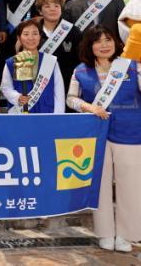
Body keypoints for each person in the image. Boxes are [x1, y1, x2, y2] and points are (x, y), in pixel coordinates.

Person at [66, 25, 141, 252]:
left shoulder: (132, 66)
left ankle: (127, 235)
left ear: (116, 42)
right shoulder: (81, 71)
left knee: (132, 186)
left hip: (131, 133)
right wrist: (89, 107)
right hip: (96, 134)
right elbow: (71, 99)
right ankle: (105, 233)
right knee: (100, 185)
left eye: (108, 39)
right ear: (90, 46)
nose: (104, 45)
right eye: (97, 41)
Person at [0, 19, 65, 113]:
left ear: (40, 36)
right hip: (21, 112)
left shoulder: (50, 61)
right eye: (26, 34)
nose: (31, 38)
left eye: (35, 33)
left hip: (47, 112)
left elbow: (59, 92)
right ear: (19, 37)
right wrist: (17, 97)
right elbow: (6, 87)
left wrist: (58, 115)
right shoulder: (11, 63)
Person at [34, 0, 81, 87]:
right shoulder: (33, 31)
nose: (52, 9)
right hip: (37, 84)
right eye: (47, 6)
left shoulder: (72, 31)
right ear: (40, 11)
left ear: (61, 9)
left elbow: (80, 59)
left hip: (66, 84)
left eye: (56, 6)